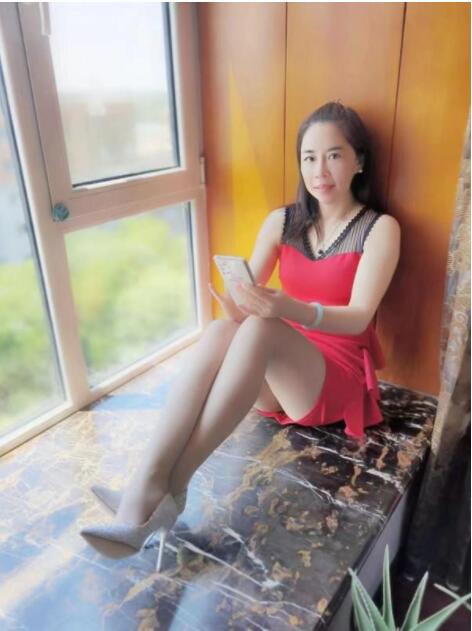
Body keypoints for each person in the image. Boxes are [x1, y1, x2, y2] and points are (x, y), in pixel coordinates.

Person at [80, 101, 401, 570]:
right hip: (277, 361)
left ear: (359, 161)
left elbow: (358, 318)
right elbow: (251, 299)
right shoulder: (283, 221)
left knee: (262, 328)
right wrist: (239, 303)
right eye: (309, 157)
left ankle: (163, 491)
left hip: (335, 373)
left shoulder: (379, 229)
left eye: (334, 155)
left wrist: (286, 308)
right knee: (219, 330)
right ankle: (148, 483)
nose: (320, 170)